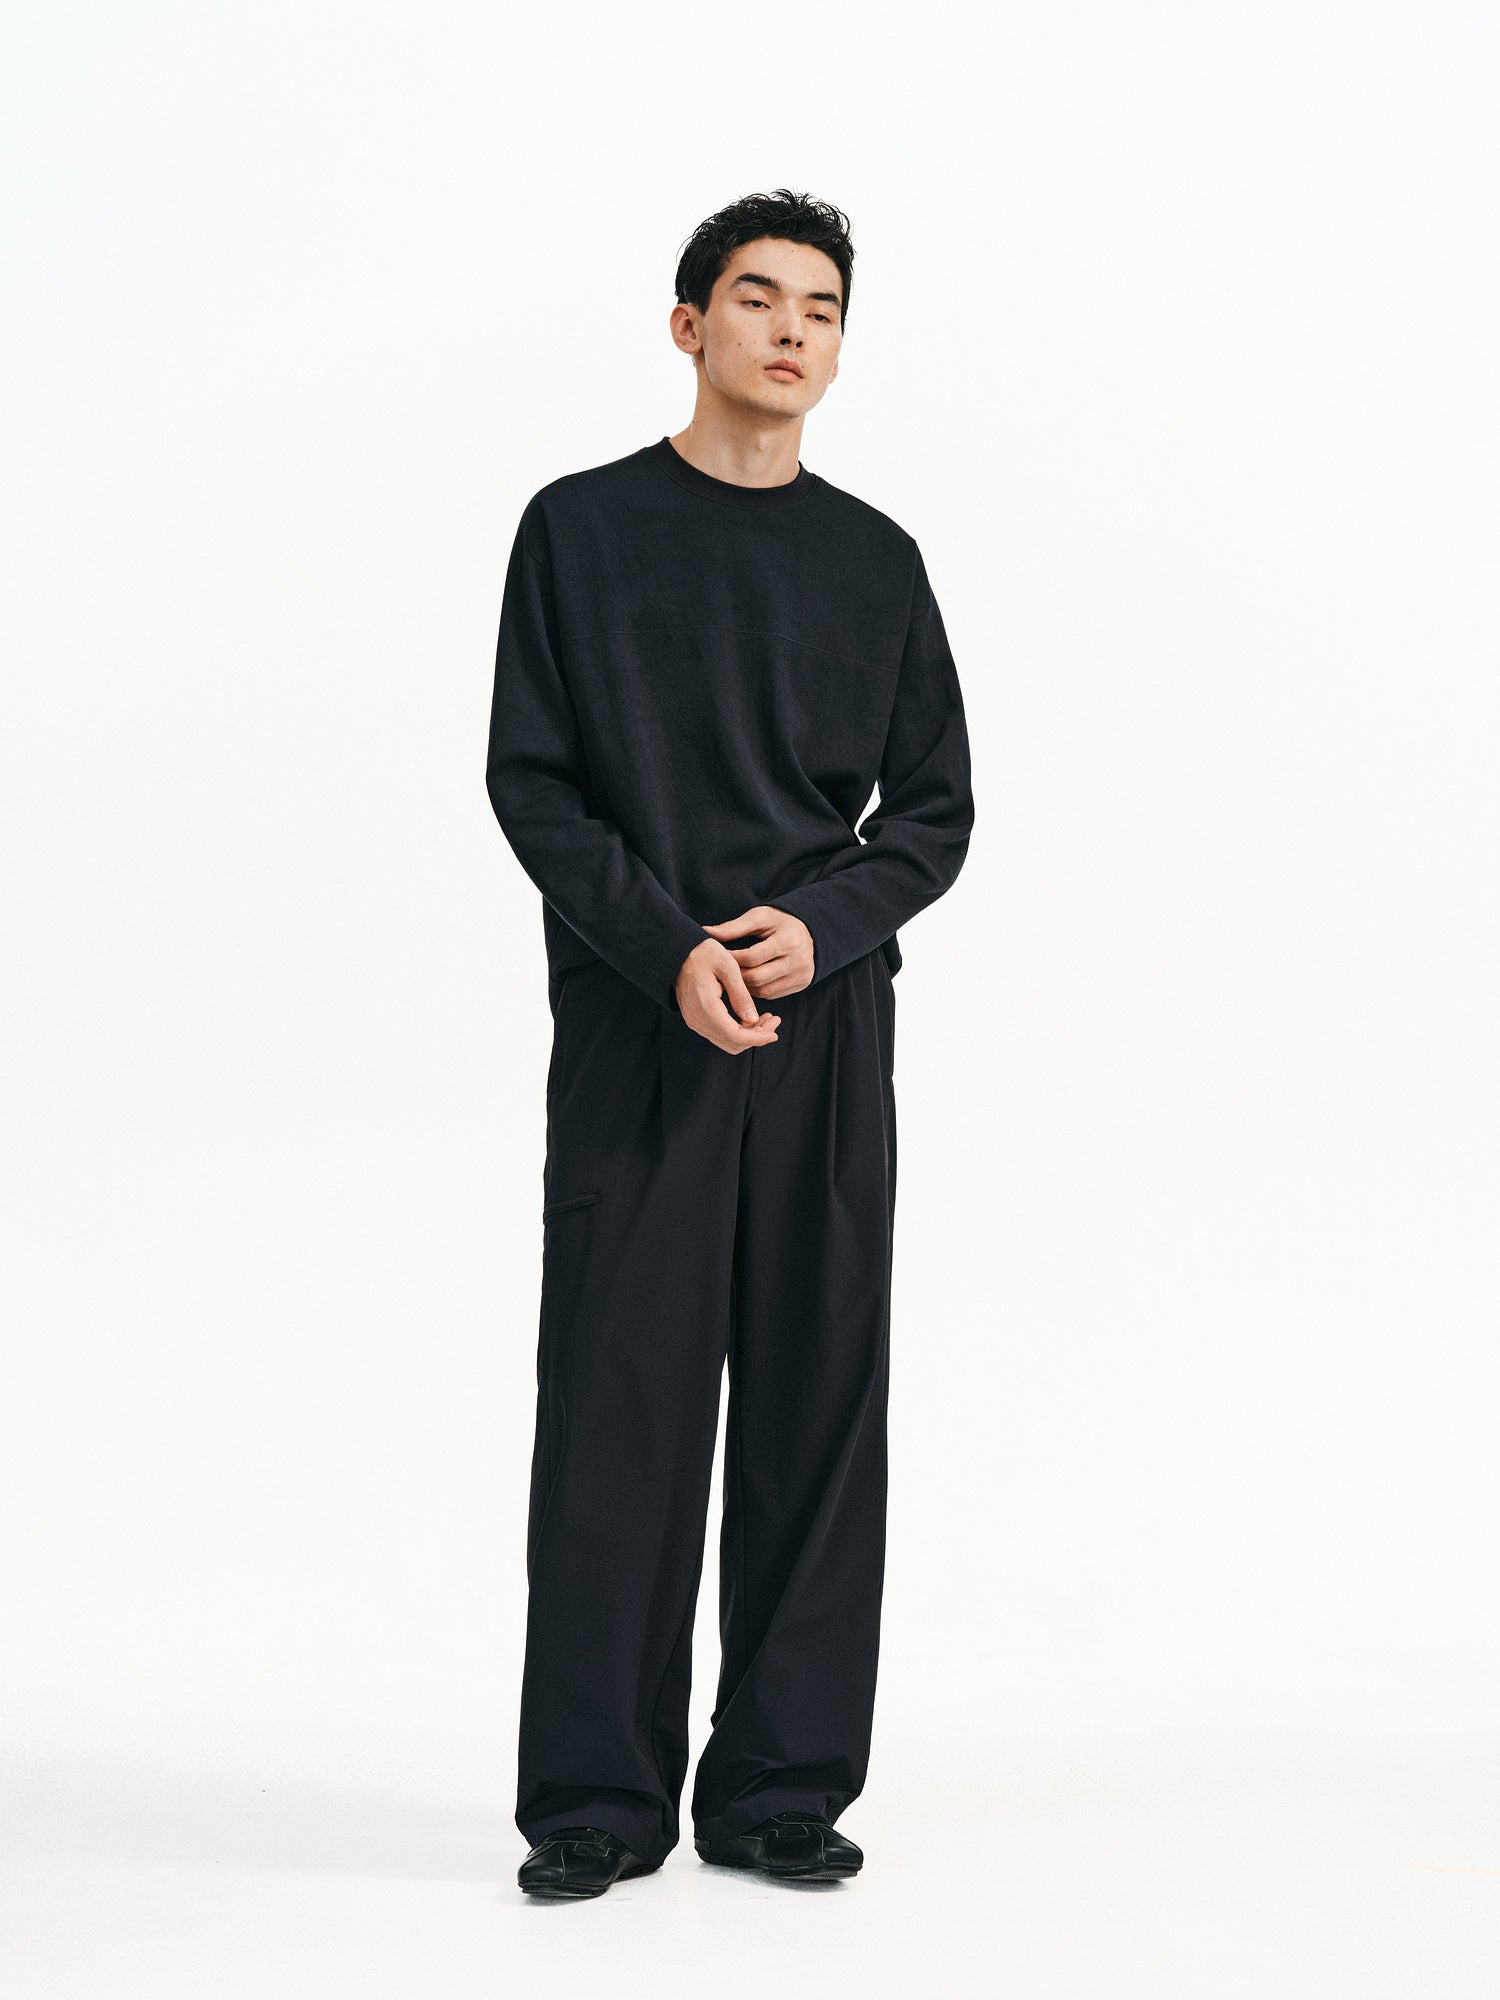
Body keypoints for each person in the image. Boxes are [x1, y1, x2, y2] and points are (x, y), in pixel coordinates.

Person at [485, 188, 974, 1899]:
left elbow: (934, 813)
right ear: (690, 323)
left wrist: (822, 930)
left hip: (824, 1029)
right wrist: (662, 946)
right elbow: (533, 782)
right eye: (759, 298)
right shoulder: (580, 530)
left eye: (821, 309)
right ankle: (594, 1803)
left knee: (818, 1406)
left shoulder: (877, 561)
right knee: (618, 1408)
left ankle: (778, 1788)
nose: (791, 330)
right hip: (643, 1024)